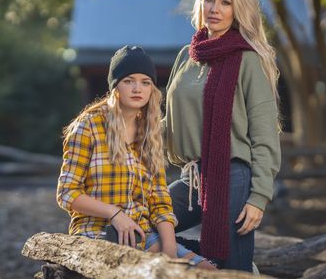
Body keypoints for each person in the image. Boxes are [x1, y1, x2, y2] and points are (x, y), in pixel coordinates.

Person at [165, 0, 281, 272]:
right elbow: (169, 123)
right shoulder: (186, 56)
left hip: (233, 179)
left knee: (233, 272)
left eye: (225, 2)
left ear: (237, 8)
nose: (215, 8)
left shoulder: (248, 59)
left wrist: (259, 197)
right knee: (139, 224)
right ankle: (200, 263)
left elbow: (265, 133)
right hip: (192, 179)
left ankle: (234, 266)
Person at [57, 45, 215, 269]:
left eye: (145, 82)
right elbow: (67, 193)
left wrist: (169, 247)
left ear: (152, 88)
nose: (137, 88)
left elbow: (160, 198)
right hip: (97, 234)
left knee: (208, 271)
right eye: (128, 80)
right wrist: (115, 214)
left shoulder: (149, 132)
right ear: (115, 87)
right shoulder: (89, 125)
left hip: (142, 234)